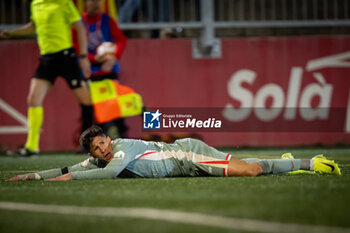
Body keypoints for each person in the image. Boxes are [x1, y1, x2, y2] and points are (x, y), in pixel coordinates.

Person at [8, 125, 341, 181]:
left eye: (103, 143)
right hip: (187, 165)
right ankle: (290, 163)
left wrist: (68, 178)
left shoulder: (123, 148)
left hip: (189, 156)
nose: (102, 149)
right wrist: (36, 175)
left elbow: (107, 173)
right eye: (96, 148)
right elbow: (70, 165)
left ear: (109, 139)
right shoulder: (99, 158)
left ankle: (309, 162)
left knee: (250, 172)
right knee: (248, 166)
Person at [1, 0, 91, 157]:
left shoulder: (63, 3)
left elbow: (80, 28)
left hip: (66, 57)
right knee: (33, 100)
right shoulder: (36, 4)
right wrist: (12, 33)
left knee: (86, 101)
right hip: (47, 60)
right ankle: (31, 147)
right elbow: (34, 26)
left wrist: (83, 56)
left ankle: (89, 143)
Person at [74, 0, 128, 138]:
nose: (96, 4)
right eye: (92, 1)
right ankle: (86, 140)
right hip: (89, 69)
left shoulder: (107, 19)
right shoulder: (79, 22)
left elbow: (121, 40)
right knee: (88, 106)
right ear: (85, 3)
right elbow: (75, 44)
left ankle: (122, 135)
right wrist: (93, 58)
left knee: (113, 103)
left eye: (98, 1)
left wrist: (113, 57)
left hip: (108, 68)